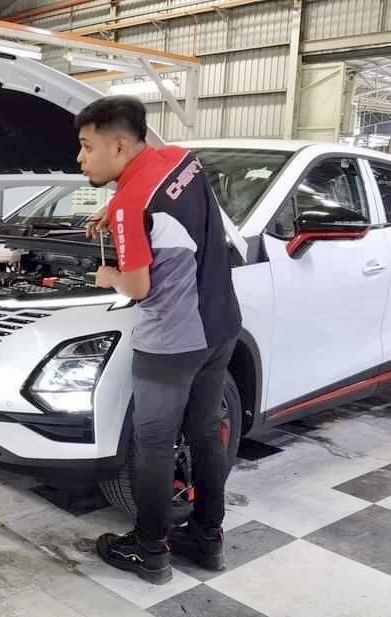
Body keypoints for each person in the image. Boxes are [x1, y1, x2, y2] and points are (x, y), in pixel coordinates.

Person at [75, 96, 242, 584]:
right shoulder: (182, 159)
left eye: (86, 147)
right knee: (206, 432)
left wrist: (107, 274)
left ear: (118, 146)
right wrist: (115, 207)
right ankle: (207, 539)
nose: (80, 159)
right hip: (220, 324)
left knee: (153, 444)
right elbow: (160, 197)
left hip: (171, 341)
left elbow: (138, 287)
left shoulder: (131, 205)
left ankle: (149, 551)